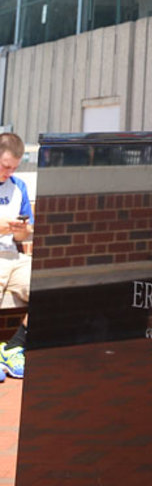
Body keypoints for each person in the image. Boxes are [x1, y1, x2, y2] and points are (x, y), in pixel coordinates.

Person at [0, 132, 34, 378]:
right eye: (5, 166)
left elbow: (26, 235)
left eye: (13, 168)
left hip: (13, 256)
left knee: (49, 286)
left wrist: (22, 230)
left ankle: (12, 348)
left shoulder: (19, 186)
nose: (9, 172)